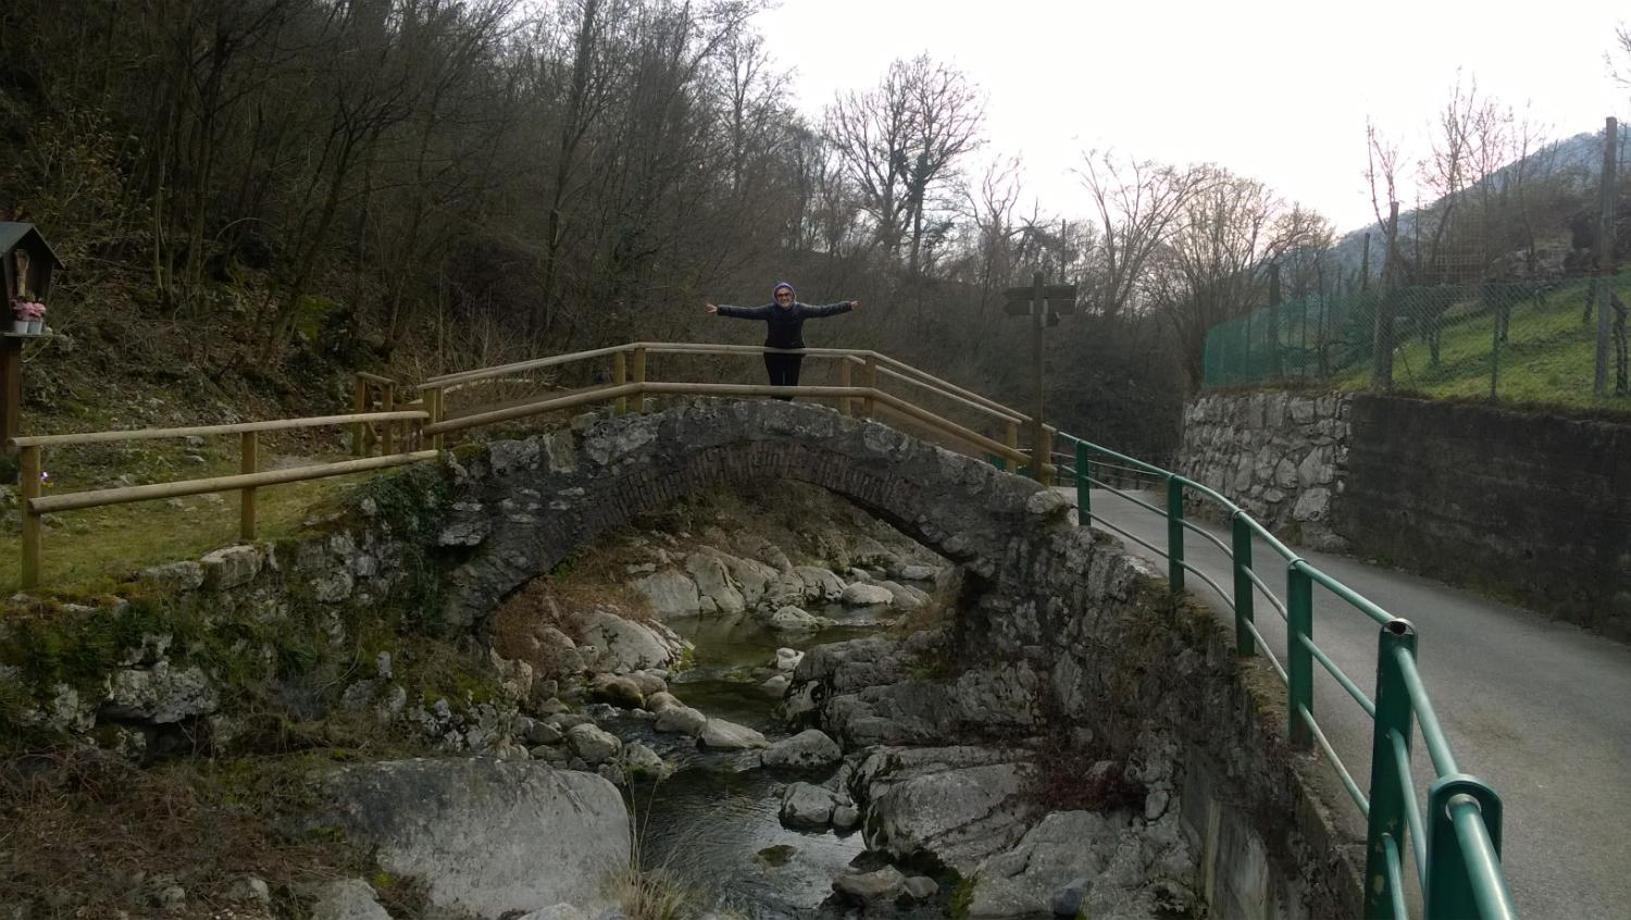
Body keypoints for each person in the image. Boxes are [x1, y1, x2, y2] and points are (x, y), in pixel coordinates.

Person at [705, 282, 860, 398]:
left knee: (791, 390)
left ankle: (785, 418)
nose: (784, 297)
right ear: (776, 298)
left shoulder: (801, 310)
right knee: (776, 389)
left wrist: (846, 306)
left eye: (787, 295)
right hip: (773, 353)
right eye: (780, 295)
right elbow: (748, 312)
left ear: (792, 296)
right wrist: (721, 309)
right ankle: (775, 416)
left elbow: (824, 310)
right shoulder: (769, 310)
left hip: (794, 353)